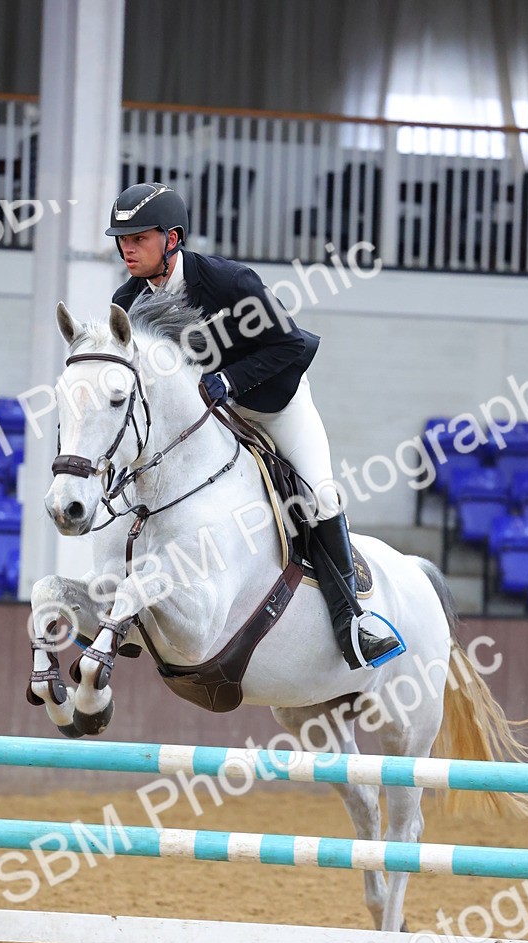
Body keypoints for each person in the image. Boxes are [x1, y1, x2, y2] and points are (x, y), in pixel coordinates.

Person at [105, 181, 403, 671]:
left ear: (172, 239)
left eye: (139, 238)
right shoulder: (128, 299)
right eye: (123, 240)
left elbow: (289, 344)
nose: (127, 249)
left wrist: (228, 380)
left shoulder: (229, 282)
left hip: (274, 406)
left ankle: (353, 620)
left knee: (319, 495)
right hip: (210, 419)